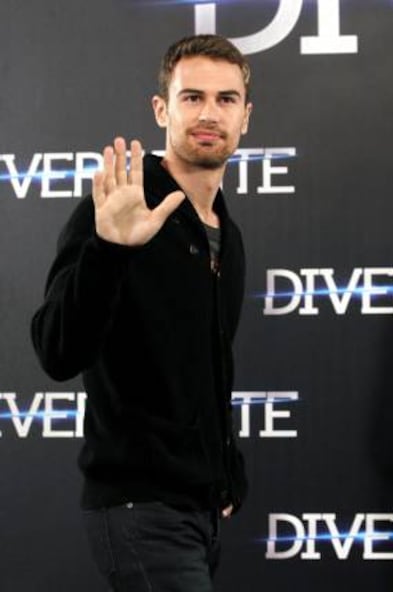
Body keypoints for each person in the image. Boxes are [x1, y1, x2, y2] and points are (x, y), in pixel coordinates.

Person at [31, 33, 253, 591]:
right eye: (192, 97)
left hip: (196, 511)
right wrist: (109, 249)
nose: (209, 113)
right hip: (138, 510)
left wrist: (224, 471)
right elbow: (58, 352)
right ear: (162, 109)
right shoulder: (117, 208)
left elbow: (204, 368)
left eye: (226, 100)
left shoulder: (227, 234)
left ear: (246, 117)